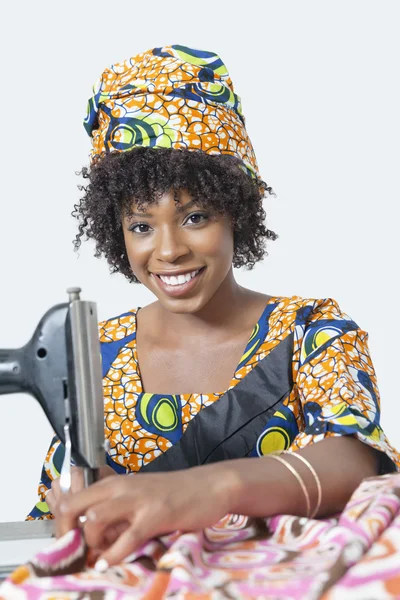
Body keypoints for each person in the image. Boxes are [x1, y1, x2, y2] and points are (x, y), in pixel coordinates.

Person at [20, 44, 400, 596]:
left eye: (194, 216)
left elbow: (355, 458)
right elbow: (54, 514)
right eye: (141, 225)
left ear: (236, 211)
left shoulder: (310, 331)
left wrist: (201, 491)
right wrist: (86, 498)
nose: (169, 250)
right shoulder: (94, 352)